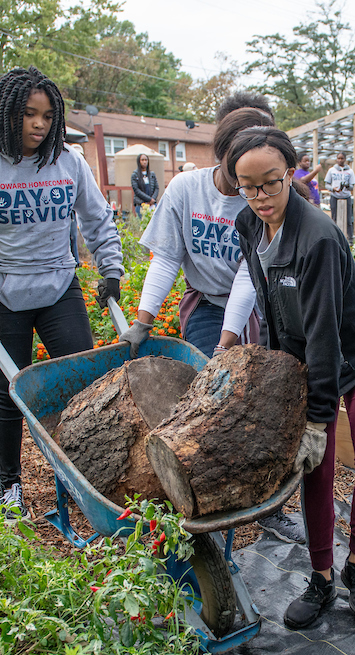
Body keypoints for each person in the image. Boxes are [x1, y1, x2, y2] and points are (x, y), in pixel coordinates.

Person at [0, 67, 123, 521]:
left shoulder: (68, 161)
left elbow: (97, 219)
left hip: (59, 286)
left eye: (48, 115)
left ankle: (84, 474)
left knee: (84, 383)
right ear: (6, 114)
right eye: (29, 114)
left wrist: (110, 270)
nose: (39, 124)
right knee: (10, 393)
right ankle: (10, 485)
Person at [120, 92, 306, 545]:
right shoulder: (187, 189)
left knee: (263, 401)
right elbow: (166, 259)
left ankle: (267, 507)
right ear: (220, 153)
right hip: (205, 300)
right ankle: (203, 498)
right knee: (211, 397)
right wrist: (142, 321)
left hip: (260, 303)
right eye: (237, 168)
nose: (248, 182)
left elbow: (249, 276)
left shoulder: (261, 199)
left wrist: (230, 343)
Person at [227, 126, 355, 629]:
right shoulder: (248, 224)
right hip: (303, 357)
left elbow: (326, 333)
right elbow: (270, 304)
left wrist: (318, 421)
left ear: (292, 174)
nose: (260, 197)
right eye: (247, 185)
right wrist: (281, 380)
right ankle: (321, 577)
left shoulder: (319, 236)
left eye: (271, 183)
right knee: (314, 470)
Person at [325, 152, 355, 239]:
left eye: (342, 158)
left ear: (345, 159)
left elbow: (352, 186)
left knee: (348, 219)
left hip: (346, 196)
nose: (340, 160)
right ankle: (334, 237)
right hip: (335, 196)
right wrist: (333, 189)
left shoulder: (350, 171)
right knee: (334, 218)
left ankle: (350, 238)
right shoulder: (331, 170)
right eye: (338, 158)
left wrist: (347, 186)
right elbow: (327, 184)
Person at [130, 152, 159, 217]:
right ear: (139, 161)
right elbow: (137, 190)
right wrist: (149, 199)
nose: (144, 162)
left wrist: (153, 199)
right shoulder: (135, 175)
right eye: (142, 160)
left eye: (146, 160)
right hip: (141, 204)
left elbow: (156, 188)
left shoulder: (152, 174)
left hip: (152, 205)